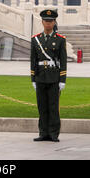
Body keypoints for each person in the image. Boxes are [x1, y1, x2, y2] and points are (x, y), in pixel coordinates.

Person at [30, 9, 67, 142]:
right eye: (46, 21)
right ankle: (43, 132)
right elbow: (33, 60)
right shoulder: (35, 39)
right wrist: (33, 78)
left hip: (54, 77)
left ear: (54, 22)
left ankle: (53, 133)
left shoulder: (60, 40)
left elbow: (63, 61)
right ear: (42, 22)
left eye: (51, 21)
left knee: (53, 107)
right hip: (40, 77)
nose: (48, 23)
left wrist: (62, 80)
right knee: (42, 106)